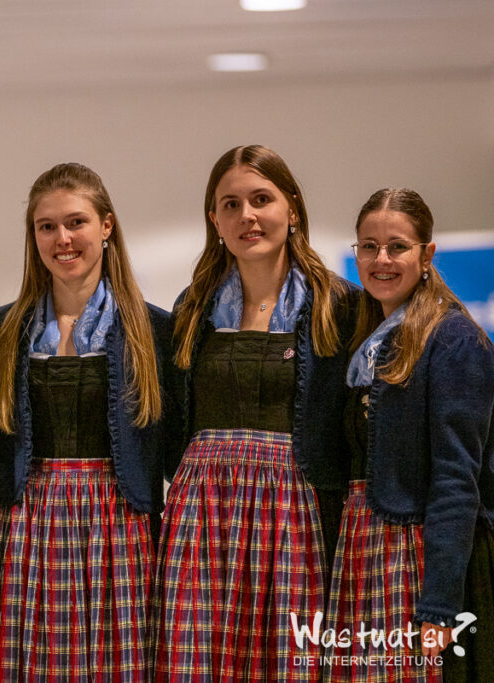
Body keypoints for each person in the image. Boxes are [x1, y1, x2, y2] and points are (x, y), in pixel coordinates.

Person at [155, 145, 357, 681]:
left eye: (261, 199)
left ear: (292, 208)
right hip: (203, 517)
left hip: (297, 515)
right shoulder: (192, 307)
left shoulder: (337, 305)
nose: (247, 215)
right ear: (215, 220)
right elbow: (173, 422)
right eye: (231, 204)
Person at [0, 162, 173, 681]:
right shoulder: (4, 330)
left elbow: (175, 442)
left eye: (76, 222)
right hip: (29, 523)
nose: (62, 239)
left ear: (107, 226)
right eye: (46, 226)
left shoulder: (155, 330)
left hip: (121, 523)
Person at [324, 188, 494, 682]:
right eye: (369, 246)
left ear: (426, 254)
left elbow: (456, 480)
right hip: (362, 543)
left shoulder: (454, 339)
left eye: (397, 246)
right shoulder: (364, 342)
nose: (381, 259)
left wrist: (439, 605)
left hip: (417, 553)